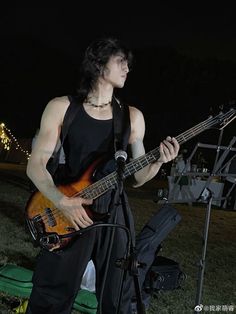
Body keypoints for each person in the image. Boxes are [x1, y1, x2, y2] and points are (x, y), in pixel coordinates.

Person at [26, 37, 179, 314]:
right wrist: (61, 201)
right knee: (51, 296)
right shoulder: (62, 107)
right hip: (69, 208)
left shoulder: (133, 117)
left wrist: (158, 162)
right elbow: (35, 164)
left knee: (118, 298)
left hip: (114, 214)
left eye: (128, 64)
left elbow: (139, 176)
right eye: (121, 61)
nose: (127, 69)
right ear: (98, 64)